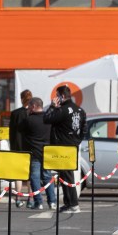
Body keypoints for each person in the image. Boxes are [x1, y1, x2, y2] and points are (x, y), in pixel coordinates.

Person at [44, 85, 86, 213]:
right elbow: (84, 129)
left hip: (63, 146)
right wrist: (77, 141)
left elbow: (46, 119)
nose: (55, 99)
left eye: (57, 96)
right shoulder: (80, 110)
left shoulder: (62, 110)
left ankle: (73, 204)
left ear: (62, 96)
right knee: (65, 175)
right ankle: (68, 203)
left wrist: (52, 107)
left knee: (67, 176)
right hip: (73, 145)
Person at [22, 97, 57, 210]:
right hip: (47, 152)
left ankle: (38, 202)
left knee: (34, 178)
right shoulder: (48, 119)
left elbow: (22, 134)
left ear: (33, 106)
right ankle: (52, 202)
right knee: (47, 177)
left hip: (34, 153)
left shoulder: (28, 120)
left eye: (29, 106)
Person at [9, 89, 32, 208]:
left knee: (18, 174)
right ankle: (31, 198)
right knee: (30, 174)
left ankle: (18, 198)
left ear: (21, 99)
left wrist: (12, 148)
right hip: (30, 148)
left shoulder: (15, 114)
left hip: (17, 148)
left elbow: (11, 133)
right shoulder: (33, 113)